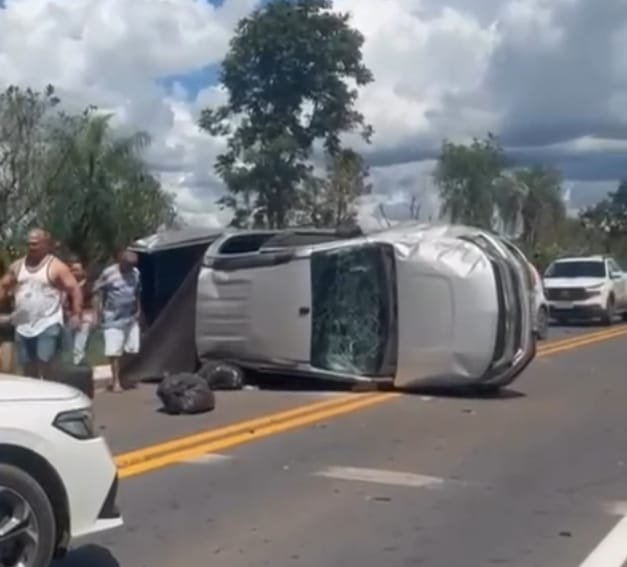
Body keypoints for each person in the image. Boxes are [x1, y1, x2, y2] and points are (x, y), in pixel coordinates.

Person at [0, 229, 82, 379]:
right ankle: (34, 391)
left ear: (46, 245)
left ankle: (50, 388)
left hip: (48, 323)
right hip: (23, 324)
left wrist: (76, 313)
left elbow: (74, 289)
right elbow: (3, 286)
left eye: (35, 244)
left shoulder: (56, 267)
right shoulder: (18, 266)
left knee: (45, 362)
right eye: (29, 244)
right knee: (27, 366)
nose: (31, 247)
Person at [93, 249, 141, 393]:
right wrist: (98, 312)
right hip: (112, 316)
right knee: (114, 351)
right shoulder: (109, 273)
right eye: (128, 265)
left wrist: (139, 309)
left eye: (132, 265)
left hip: (130, 316)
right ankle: (116, 382)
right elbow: (97, 291)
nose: (130, 268)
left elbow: (137, 292)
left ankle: (124, 375)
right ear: (121, 262)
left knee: (132, 349)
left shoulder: (136, 273)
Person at [64, 256, 96, 366]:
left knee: (80, 342)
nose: (74, 272)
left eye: (77, 270)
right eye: (72, 270)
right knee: (69, 342)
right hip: (70, 315)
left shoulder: (89, 285)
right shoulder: (67, 285)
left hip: (86, 316)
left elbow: (94, 301)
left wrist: (95, 316)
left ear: (83, 271)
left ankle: (78, 363)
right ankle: (71, 363)